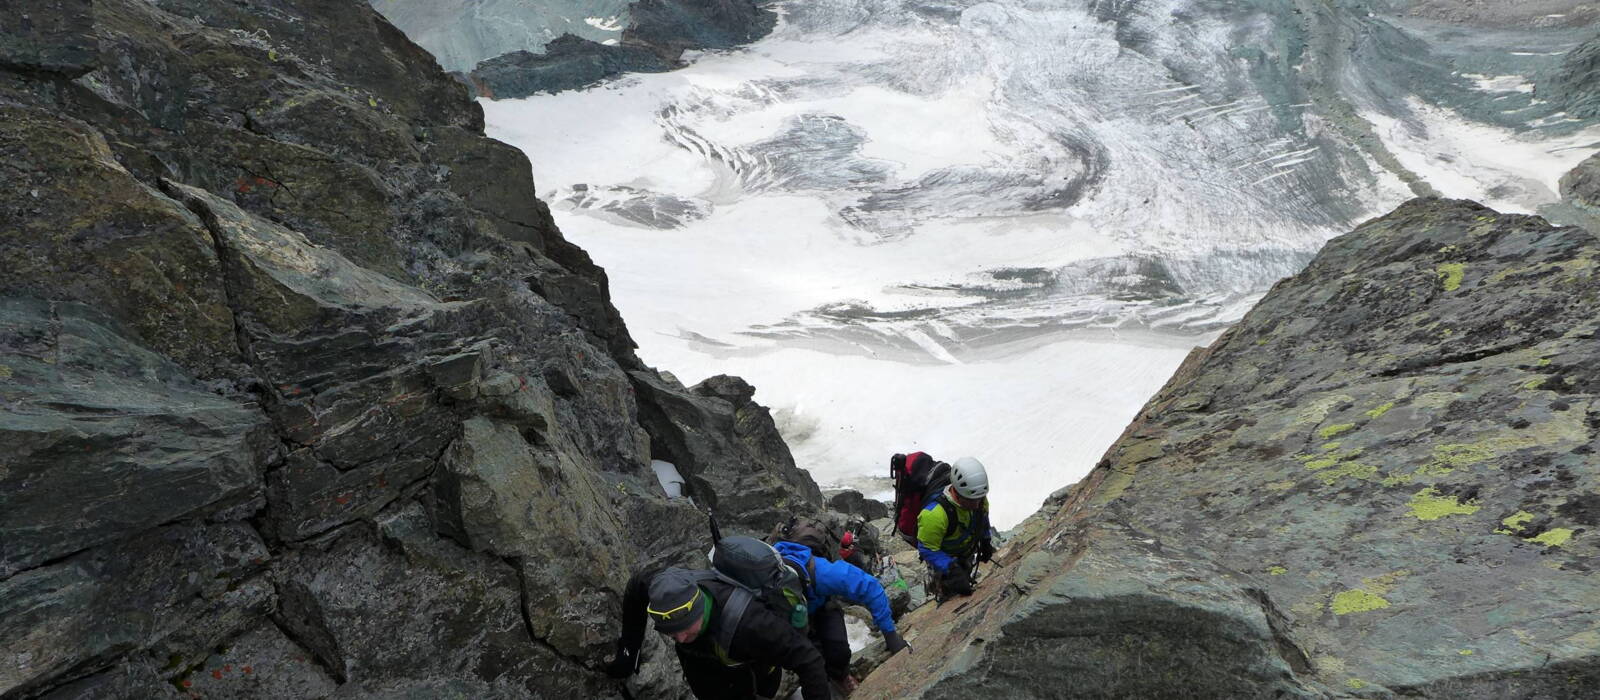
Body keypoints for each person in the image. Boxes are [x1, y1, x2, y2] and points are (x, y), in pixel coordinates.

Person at [606, 565, 832, 700]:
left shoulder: (753, 624)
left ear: (700, 609)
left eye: (685, 629)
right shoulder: (664, 589)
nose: (680, 638)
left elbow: (808, 659)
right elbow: (636, 585)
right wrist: (629, 651)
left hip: (753, 670)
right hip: (705, 665)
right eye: (672, 633)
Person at [772, 540, 910, 691]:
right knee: (809, 664)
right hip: (782, 618)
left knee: (838, 651)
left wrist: (890, 634)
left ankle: (840, 675)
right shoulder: (760, 593)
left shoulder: (821, 573)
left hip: (818, 606)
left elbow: (869, 587)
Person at [915, 456, 996, 600]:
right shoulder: (934, 515)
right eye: (971, 501)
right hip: (943, 558)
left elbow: (983, 518)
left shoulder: (977, 496)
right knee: (949, 594)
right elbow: (927, 548)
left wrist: (985, 540)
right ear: (957, 493)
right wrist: (950, 569)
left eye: (979, 499)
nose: (977, 504)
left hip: (965, 551)